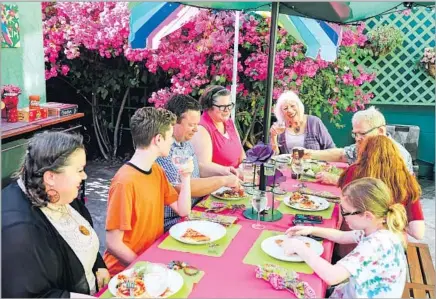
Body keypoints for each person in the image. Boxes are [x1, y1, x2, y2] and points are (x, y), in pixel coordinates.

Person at [2, 131, 108, 298]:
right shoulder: (20, 230)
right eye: (79, 170)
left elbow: (82, 234)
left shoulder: (56, 192)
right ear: (51, 176)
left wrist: (97, 264)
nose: (85, 176)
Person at [104, 107, 193, 277]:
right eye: (170, 137)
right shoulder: (124, 182)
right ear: (158, 139)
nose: (171, 142)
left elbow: (183, 210)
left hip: (151, 259)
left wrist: (186, 177)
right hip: (126, 271)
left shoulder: (156, 169)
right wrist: (147, 268)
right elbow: (113, 244)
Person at [283, 177, 407, 298]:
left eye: (346, 212)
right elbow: (342, 236)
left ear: (367, 215)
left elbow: (332, 276)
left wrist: (299, 247)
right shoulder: (377, 227)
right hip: (355, 290)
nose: (343, 216)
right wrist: (311, 230)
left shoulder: (376, 244)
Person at [156, 94, 241, 231]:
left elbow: (195, 169)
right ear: (173, 122)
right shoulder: (164, 150)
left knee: (237, 222)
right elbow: (183, 187)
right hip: (173, 221)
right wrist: (223, 181)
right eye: (191, 125)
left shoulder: (184, 140)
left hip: (196, 209)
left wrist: (223, 170)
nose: (196, 129)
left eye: (197, 124)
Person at [336, 135, 424, 255]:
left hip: (351, 246)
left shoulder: (354, 171)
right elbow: (418, 232)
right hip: (390, 250)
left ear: (364, 153)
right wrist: (393, 220)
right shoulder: (407, 180)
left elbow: (344, 201)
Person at [306, 106, 413, 185]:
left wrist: (338, 180)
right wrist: (309, 154)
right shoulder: (366, 145)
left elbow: (378, 189)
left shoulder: (397, 155)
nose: (357, 138)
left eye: (362, 134)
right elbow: (342, 155)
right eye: (355, 134)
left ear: (381, 130)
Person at [191, 85, 246, 171]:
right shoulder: (202, 128)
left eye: (229, 105)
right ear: (209, 106)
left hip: (238, 178)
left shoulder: (229, 122)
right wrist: (231, 173)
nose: (227, 110)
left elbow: (242, 156)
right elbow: (203, 167)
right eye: (222, 107)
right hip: (220, 180)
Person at [270, 90, 335, 153]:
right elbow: (274, 155)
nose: (289, 110)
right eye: (285, 108)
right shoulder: (280, 127)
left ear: (299, 106)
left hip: (313, 163)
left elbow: (331, 149)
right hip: (288, 164)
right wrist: (273, 137)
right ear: (281, 112)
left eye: (292, 106)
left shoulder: (314, 122)